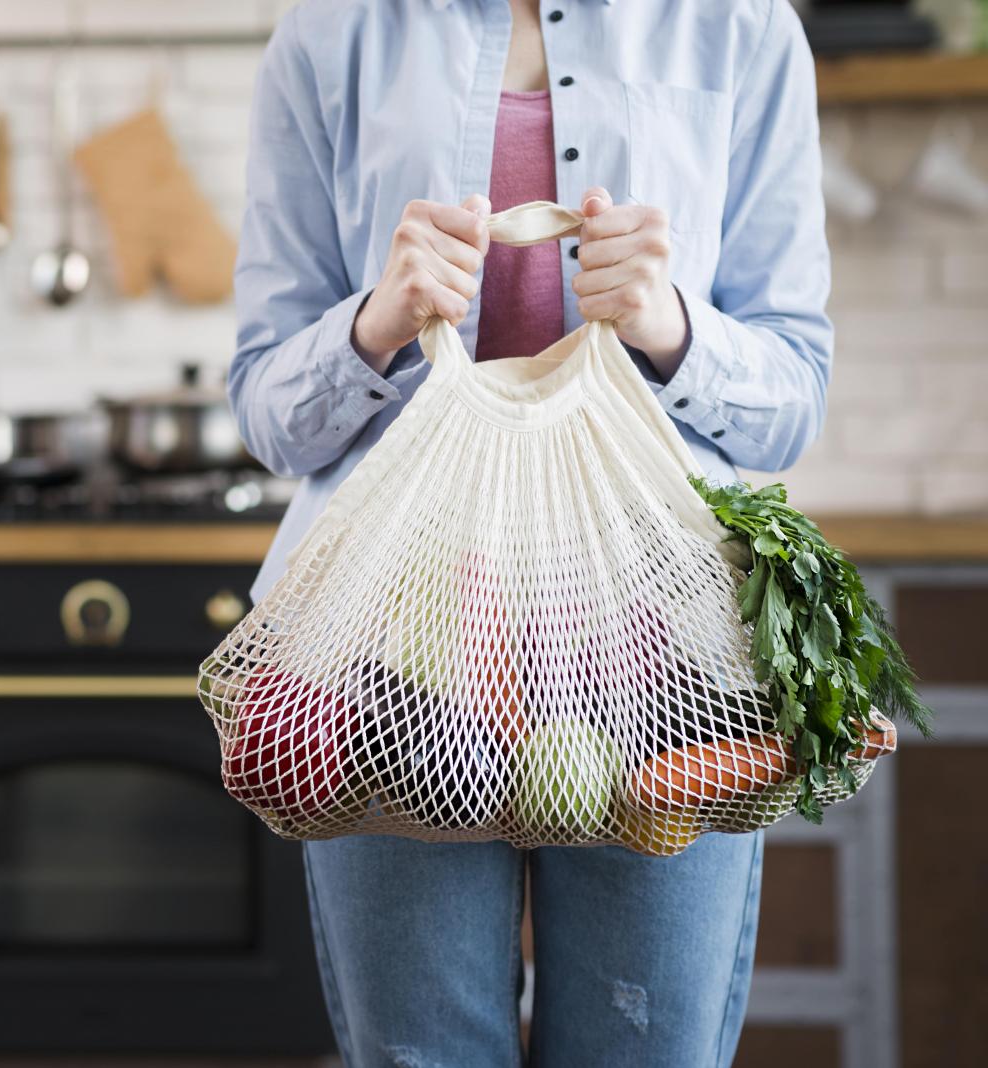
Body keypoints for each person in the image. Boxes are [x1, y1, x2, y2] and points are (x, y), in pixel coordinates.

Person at [229, 1, 830, 1065]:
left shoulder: (737, 25)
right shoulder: (329, 33)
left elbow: (792, 400)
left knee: (643, 1049)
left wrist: (669, 324)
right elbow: (270, 416)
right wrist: (378, 319)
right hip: (382, 660)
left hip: (665, 663)